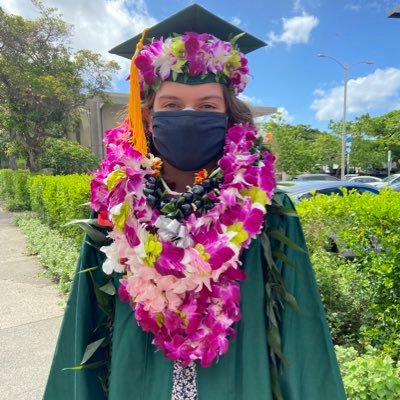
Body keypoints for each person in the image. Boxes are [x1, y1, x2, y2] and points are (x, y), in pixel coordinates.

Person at [44, 4, 346, 400]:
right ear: (149, 118)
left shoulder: (269, 213)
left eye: (207, 106)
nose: (189, 115)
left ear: (227, 117)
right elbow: (88, 325)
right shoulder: (115, 210)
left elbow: (300, 339)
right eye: (171, 105)